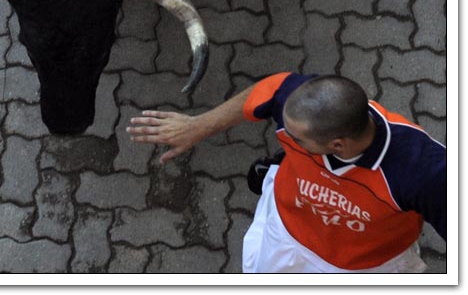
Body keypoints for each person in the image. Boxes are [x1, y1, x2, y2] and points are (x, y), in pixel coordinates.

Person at [127, 72, 446, 273]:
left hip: (364, 267)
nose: (282, 137)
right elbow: (264, 93)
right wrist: (197, 126)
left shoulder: (426, 172)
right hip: (285, 232)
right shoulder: (297, 100)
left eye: (297, 139)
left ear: (337, 145)